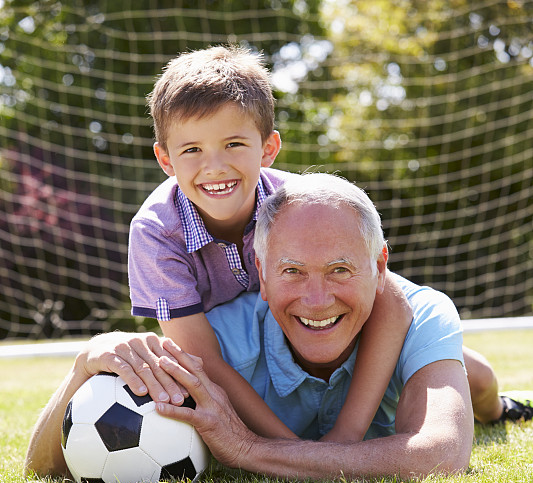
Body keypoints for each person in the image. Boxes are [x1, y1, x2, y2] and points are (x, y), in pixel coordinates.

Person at [28, 172, 529, 483]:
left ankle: (500, 405)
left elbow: (441, 453)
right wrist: (85, 365)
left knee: (476, 383)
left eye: (340, 270)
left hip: (426, 340)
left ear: (380, 267)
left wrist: (249, 450)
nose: (316, 299)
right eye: (291, 271)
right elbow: (40, 468)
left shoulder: (421, 312)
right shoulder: (216, 346)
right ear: (261, 277)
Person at [128, 44, 413, 445]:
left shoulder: (297, 204)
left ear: (268, 149)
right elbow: (202, 360)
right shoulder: (155, 234)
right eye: (192, 149)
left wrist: (344, 438)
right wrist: (290, 451)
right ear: (165, 160)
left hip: (324, 335)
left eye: (234, 144)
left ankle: (500, 404)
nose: (215, 166)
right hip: (244, 365)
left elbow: (389, 298)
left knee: (467, 374)